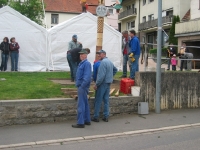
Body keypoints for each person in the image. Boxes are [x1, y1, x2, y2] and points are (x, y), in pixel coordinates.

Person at [92, 50, 118, 122]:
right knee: (106, 100)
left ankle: (96, 116)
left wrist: (96, 84)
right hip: (108, 83)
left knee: (98, 100)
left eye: (100, 54)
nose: (98, 55)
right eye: (98, 54)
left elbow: (101, 76)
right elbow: (115, 70)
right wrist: (110, 77)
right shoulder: (109, 61)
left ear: (104, 54)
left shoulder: (103, 62)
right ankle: (106, 116)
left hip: (102, 83)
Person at [72, 49, 92, 128]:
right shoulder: (82, 63)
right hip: (82, 86)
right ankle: (87, 120)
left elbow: (87, 77)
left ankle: (80, 122)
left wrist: (82, 86)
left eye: (82, 54)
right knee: (85, 103)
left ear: (86, 55)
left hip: (82, 87)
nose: (80, 56)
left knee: (81, 104)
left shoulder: (86, 64)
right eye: (80, 54)